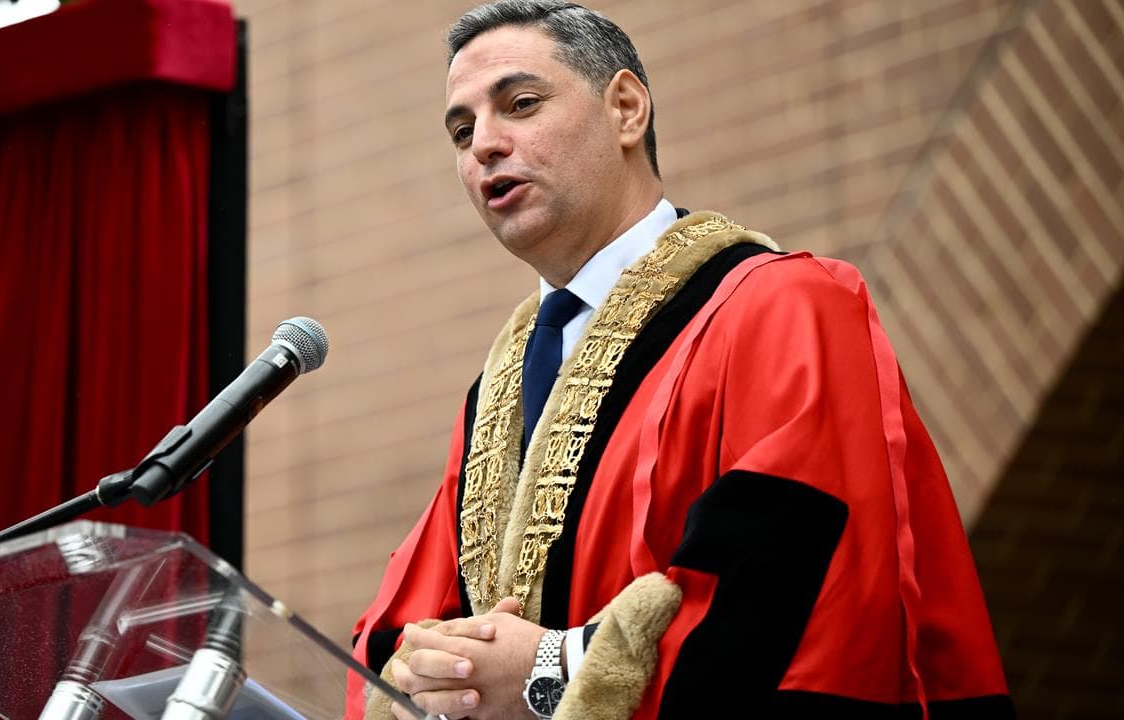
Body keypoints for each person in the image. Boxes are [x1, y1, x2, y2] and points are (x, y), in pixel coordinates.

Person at [348, 2, 1014, 718]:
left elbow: (790, 593)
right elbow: (396, 631)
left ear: (627, 109)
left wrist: (546, 671)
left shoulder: (783, 306)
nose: (484, 143)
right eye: (461, 129)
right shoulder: (498, 391)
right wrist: (435, 676)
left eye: (521, 103)